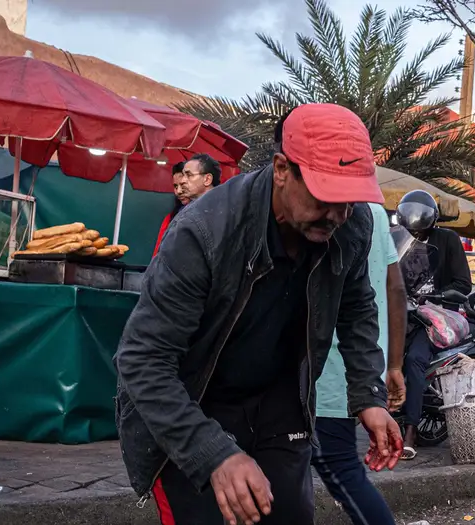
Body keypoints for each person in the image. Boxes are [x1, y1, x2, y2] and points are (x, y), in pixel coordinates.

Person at [115, 103, 401, 525]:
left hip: (281, 402)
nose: (339, 215)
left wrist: (367, 396)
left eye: (350, 201)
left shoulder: (351, 224)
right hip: (195, 401)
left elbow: (357, 307)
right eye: (327, 197)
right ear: (282, 169)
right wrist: (214, 453)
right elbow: (142, 360)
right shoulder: (204, 232)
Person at [310, 202, 406, 525]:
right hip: (363, 364)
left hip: (329, 372)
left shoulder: (321, 210)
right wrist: (393, 365)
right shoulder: (376, 213)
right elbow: (396, 289)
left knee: (338, 467)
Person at [396, 190, 472, 460]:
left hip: (432, 317)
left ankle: (410, 431)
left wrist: (435, 296)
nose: (415, 235)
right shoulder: (396, 239)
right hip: (400, 312)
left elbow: (463, 283)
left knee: (415, 359)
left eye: (420, 230)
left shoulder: (447, 240)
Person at [153, 161, 186, 257]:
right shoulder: (170, 219)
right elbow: (157, 254)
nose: (179, 191)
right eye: (175, 186)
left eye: (183, 185)